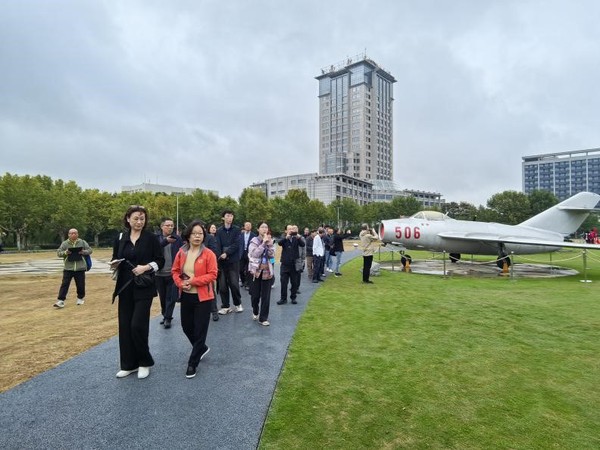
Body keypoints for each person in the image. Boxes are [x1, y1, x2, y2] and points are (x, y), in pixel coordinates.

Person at [111, 205, 164, 379]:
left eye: (142, 219)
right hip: (125, 286)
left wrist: (145, 267)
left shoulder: (151, 238)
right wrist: (115, 264)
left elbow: (160, 261)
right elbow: (115, 257)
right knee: (125, 326)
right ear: (128, 219)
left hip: (144, 286)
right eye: (136, 218)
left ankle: (144, 362)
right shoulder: (120, 238)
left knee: (137, 325)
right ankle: (128, 364)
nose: (139, 222)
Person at [172, 221, 218, 379]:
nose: (197, 236)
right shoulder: (181, 252)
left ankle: (193, 363)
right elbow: (175, 271)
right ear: (188, 235)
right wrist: (180, 283)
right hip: (186, 296)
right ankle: (201, 348)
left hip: (203, 297)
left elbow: (213, 274)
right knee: (186, 327)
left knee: (200, 330)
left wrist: (193, 281)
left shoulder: (208, 254)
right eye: (194, 233)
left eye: (200, 233)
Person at [54, 228, 93, 308]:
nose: (73, 234)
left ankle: (80, 298)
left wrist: (83, 252)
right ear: (68, 235)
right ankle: (61, 300)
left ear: (78, 234)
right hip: (68, 268)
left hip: (80, 268)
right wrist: (65, 252)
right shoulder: (65, 243)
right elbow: (59, 253)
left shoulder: (82, 242)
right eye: (71, 233)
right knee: (64, 284)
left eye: (75, 233)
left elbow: (90, 250)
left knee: (80, 284)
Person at [156, 217, 183, 329]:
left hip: (173, 274)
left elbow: (182, 253)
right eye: (168, 225)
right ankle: (164, 315)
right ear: (162, 226)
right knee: (162, 297)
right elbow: (153, 250)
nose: (170, 227)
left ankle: (168, 318)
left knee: (171, 297)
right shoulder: (156, 238)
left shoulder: (177, 239)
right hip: (159, 274)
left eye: (172, 225)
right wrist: (165, 241)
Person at [215, 210, 243, 314]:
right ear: (223, 218)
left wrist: (226, 253)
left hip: (233, 261)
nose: (230, 218)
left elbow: (237, 244)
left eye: (231, 216)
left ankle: (238, 303)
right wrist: (220, 255)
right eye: (227, 216)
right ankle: (226, 306)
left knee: (234, 284)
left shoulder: (236, 230)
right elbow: (217, 244)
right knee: (222, 285)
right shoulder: (219, 231)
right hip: (221, 262)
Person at [247, 222, 275, 326]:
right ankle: (255, 310)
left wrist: (269, 245)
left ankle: (263, 318)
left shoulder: (270, 241)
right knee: (255, 295)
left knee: (266, 296)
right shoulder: (254, 241)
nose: (264, 229)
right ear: (258, 229)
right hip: (255, 271)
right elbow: (254, 254)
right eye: (262, 227)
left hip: (267, 271)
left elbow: (272, 255)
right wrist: (263, 244)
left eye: (266, 227)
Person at [276, 224, 305, 305]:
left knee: (294, 283)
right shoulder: (284, 237)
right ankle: (283, 298)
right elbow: (279, 243)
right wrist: (286, 238)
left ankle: (293, 297)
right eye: (289, 229)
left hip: (294, 264)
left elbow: (303, 244)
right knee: (283, 283)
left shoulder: (296, 238)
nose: (291, 230)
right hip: (285, 264)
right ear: (286, 231)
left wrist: (299, 237)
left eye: (292, 229)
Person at [204, 223, 220, 322]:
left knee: (210, 290)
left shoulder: (209, 238)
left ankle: (214, 311)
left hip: (207, 268)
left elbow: (214, 252)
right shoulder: (190, 238)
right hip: (194, 269)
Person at [239, 221, 256, 290]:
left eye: (249, 225)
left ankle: (247, 283)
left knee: (248, 270)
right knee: (240, 269)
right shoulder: (240, 235)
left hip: (250, 253)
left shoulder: (254, 235)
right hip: (242, 253)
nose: (248, 226)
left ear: (251, 227)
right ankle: (243, 281)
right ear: (244, 226)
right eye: (246, 225)